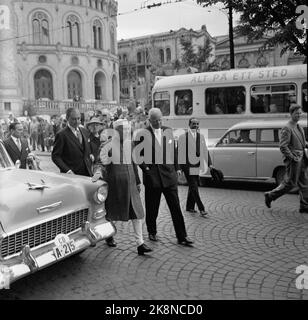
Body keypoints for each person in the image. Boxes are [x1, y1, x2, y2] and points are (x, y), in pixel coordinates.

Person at [92, 119, 152, 255]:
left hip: (130, 184)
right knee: (110, 212)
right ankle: (109, 235)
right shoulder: (106, 145)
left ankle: (140, 243)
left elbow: (134, 164)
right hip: (115, 185)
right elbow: (100, 163)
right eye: (124, 129)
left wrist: (137, 181)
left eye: (128, 129)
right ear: (116, 130)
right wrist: (97, 172)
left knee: (137, 213)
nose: (127, 132)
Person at [137, 108, 194, 246]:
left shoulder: (168, 130)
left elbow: (173, 151)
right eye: (155, 120)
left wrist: (178, 168)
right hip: (153, 178)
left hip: (169, 176)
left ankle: (182, 236)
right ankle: (152, 231)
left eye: (160, 119)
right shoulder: (142, 134)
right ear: (149, 120)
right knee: (152, 207)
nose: (158, 122)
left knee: (176, 208)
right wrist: (147, 170)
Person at [264, 104, 308, 213]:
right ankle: (270, 196)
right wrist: (292, 157)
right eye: (296, 113)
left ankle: (304, 206)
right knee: (290, 184)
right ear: (291, 114)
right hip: (294, 160)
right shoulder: (287, 128)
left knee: (305, 183)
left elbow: (302, 143)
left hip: (302, 159)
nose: (299, 115)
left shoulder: (299, 127)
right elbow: (283, 146)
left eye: (300, 113)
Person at [178, 118, 213, 217]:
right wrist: (179, 168)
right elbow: (178, 153)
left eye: (197, 124)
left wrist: (210, 164)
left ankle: (189, 207)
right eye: (194, 124)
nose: (196, 126)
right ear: (189, 124)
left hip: (196, 165)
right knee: (194, 186)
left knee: (193, 185)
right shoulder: (182, 137)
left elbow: (205, 151)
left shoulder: (201, 137)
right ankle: (201, 208)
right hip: (187, 166)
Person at [52, 108, 93, 176]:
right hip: (72, 176)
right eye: (74, 119)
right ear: (67, 118)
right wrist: (67, 170)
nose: (77, 121)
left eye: (78, 118)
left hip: (87, 174)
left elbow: (86, 149)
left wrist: (90, 155)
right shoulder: (61, 135)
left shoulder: (84, 131)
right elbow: (55, 156)